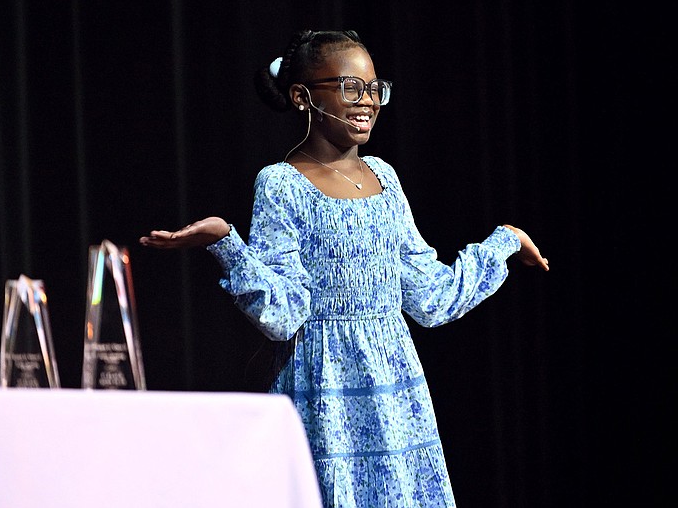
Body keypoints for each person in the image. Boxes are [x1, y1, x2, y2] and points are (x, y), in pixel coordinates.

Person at [140, 29, 549, 507]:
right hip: (326, 390)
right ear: (302, 96)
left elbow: (430, 295)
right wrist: (227, 244)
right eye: (351, 88)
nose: (367, 101)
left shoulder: (385, 178)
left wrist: (502, 243)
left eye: (375, 89)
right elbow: (284, 314)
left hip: (398, 397)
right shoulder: (281, 184)